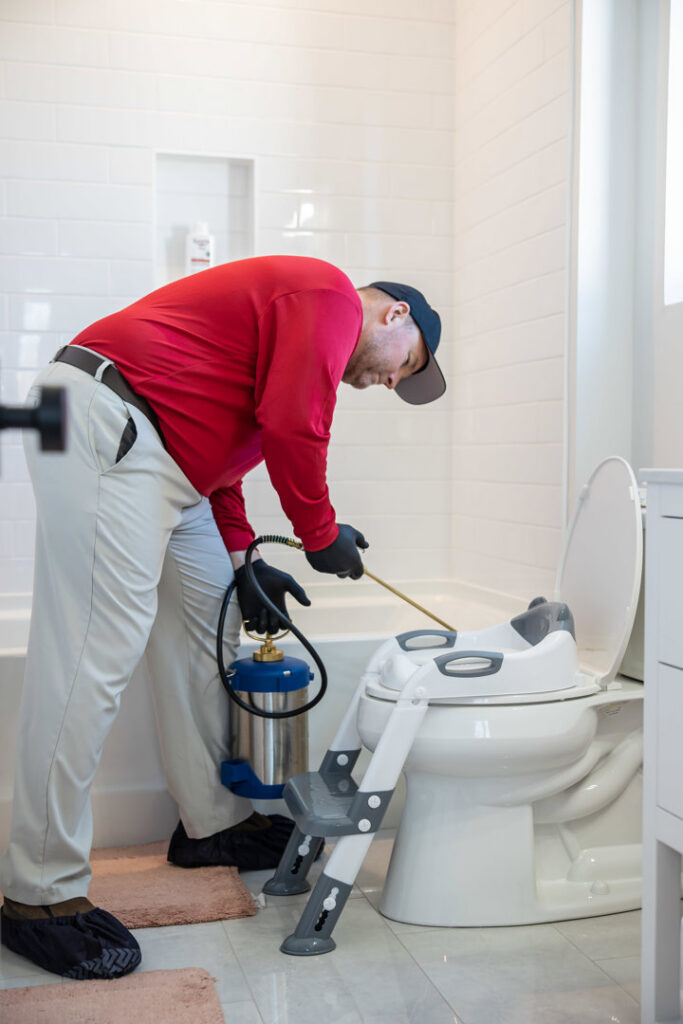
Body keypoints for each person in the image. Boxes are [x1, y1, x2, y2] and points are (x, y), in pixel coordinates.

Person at [0, 255, 445, 980]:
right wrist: (318, 533)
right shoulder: (329, 294)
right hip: (111, 419)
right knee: (89, 655)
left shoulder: (292, 329)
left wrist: (246, 565)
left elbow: (231, 458)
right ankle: (38, 894)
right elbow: (294, 427)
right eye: (409, 364)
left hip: (168, 461)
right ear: (395, 314)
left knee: (207, 621)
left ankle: (211, 824)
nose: (393, 382)